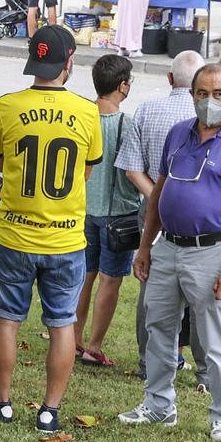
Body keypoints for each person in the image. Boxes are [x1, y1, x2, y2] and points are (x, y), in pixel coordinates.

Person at [118, 63, 221, 442]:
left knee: (214, 340)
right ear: (192, 95)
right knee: (158, 329)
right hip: (167, 247)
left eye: (218, 94)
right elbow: (159, 194)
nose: (209, 101)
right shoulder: (178, 135)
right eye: (202, 93)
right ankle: (159, 404)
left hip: (213, 252)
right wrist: (146, 247)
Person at [0, 27, 100, 433]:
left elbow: (0, 163)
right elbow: (85, 171)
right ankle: (49, 410)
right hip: (66, 239)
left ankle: (2, 403)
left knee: (6, 320)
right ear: (70, 63)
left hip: (14, 234)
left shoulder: (8, 105)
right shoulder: (88, 112)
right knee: (62, 324)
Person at [115, 50, 203, 376]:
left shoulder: (147, 110)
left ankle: (148, 360)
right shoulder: (206, 118)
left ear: (170, 78)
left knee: (149, 286)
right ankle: (194, 362)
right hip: (197, 216)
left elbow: (132, 170)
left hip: (152, 211)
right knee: (197, 289)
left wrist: (158, 198)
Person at [75, 52, 139, 364]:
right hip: (119, 213)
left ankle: (72, 338)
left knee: (83, 276)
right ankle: (94, 345)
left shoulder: (81, 116)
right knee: (110, 279)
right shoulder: (127, 124)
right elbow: (134, 171)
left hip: (83, 209)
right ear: (123, 87)